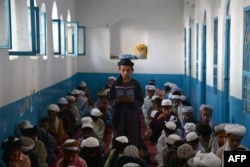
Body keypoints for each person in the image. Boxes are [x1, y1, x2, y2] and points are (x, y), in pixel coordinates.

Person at [109, 58, 144, 147]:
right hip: (119, 114)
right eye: (123, 70)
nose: (125, 72)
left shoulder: (136, 84)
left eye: (128, 70)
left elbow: (140, 100)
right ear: (119, 70)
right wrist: (117, 101)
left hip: (132, 115)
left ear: (132, 70)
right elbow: (110, 100)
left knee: (132, 135)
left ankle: (132, 153)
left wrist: (132, 100)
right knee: (119, 135)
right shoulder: (115, 84)